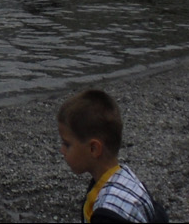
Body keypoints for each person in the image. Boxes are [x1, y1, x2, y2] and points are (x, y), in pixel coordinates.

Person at [57, 89, 164, 222]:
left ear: (94, 149)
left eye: (67, 144)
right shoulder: (128, 181)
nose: (62, 150)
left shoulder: (108, 214)